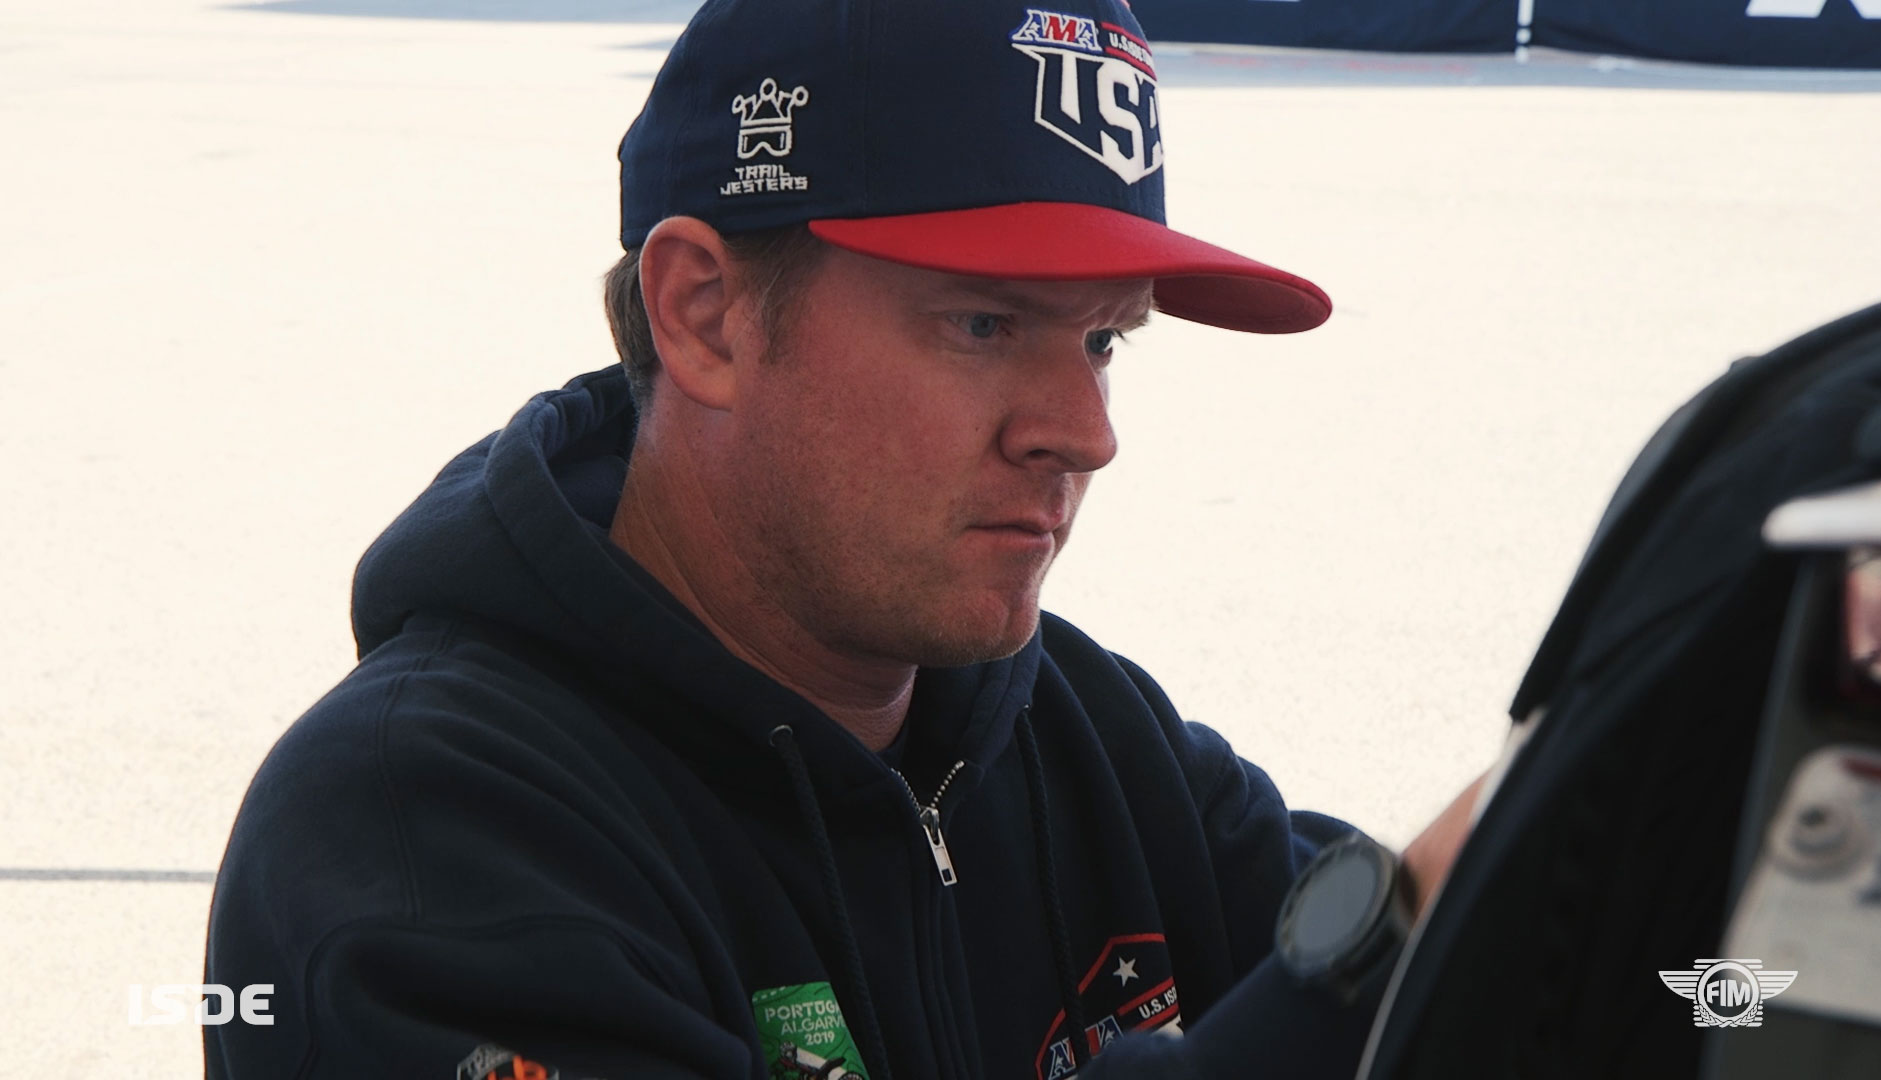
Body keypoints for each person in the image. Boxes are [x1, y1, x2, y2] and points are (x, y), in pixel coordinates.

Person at [204, 1, 1482, 1077]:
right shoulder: (416, 835)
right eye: (984, 325)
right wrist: (1349, 980)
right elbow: (1345, 984)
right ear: (704, 314)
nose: (1085, 434)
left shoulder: (1087, 735)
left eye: (1103, 339)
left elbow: (1507, 976)